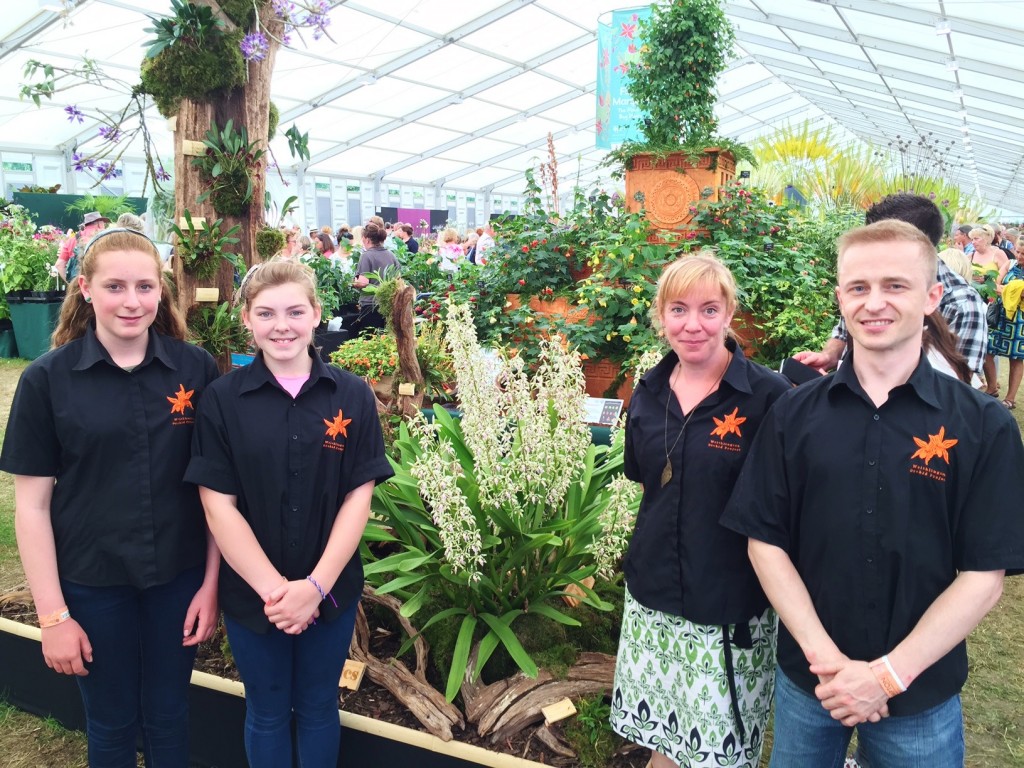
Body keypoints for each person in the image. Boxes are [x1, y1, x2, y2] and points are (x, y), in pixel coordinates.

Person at [722, 220, 1024, 768]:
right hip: (812, 682)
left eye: (895, 286)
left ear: (932, 296)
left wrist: (887, 676)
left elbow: (984, 575)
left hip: (920, 694)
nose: (874, 303)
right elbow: (764, 542)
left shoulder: (982, 426)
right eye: (859, 288)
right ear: (841, 298)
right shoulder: (795, 414)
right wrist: (830, 664)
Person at [1, 227, 221, 767]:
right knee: (111, 721)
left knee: (170, 716)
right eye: (115, 286)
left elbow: (217, 489)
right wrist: (53, 618)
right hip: (91, 584)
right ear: (85, 289)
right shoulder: (47, 380)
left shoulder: (195, 370)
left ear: (162, 292)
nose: (132, 301)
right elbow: (30, 507)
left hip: (179, 578)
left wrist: (211, 585)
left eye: (145, 287)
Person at [185, 260, 393, 768]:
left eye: (295, 311)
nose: (282, 325)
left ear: (317, 313)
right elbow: (217, 502)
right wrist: (275, 593)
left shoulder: (351, 394)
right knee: (268, 711)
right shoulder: (223, 399)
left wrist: (315, 588)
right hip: (255, 598)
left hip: (331, 592)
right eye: (267, 313)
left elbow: (357, 497)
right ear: (248, 320)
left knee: (321, 708)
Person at [610, 252, 790, 768]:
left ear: (730, 314)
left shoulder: (767, 398)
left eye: (709, 310)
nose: (693, 325)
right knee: (665, 735)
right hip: (654, 592)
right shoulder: (645, 393)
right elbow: (648, 482)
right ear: (660, 316)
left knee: (717, 748)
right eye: (678, 309)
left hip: (728, 604)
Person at [795, 194, 987, 379]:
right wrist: (829, 356)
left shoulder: (963, 303)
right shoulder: (867, 285)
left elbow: (960, 380)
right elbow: (844, 332)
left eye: (895, 286)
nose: (874, 305)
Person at [987, 238, 1024, 408]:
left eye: (1023, 253)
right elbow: (995, 284)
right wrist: (1014, 291)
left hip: (1020, 321)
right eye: (1018, 251)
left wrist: (1006, 289)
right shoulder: (1010, 264)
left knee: (1016, 358)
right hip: (1001, 315)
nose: (1019, 256)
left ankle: (1010, 398)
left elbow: (1003, 287)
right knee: (987, 350)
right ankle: (992, 387)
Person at [350, 221, 400, 335]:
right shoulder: (391, 255)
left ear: (367, 239)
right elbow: (398, 280)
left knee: (370, 340)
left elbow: (362, 282)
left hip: (370, 306)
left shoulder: (367, 256)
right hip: (388, 305)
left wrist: (353, 281)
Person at [55, 210, 110, 282]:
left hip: (78, 284)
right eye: (103, 223)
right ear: (99, 224)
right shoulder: (105, 237)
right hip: (98, 283)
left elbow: (59, 265)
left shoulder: (72, 240)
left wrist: (70, 284)